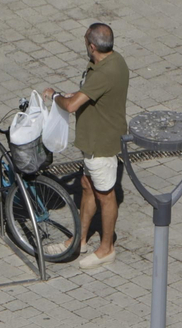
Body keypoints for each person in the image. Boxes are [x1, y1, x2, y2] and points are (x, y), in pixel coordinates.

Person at [43, 22, 129, 271]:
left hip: (100, 144)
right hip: (96, 141)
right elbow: (94, 94)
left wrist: (55, 95)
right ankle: (79, 240)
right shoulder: (116, 61)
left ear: (92, 46)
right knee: (87, 186)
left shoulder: (103, 73)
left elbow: (70, 107)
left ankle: (106, 249)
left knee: (106, 195)